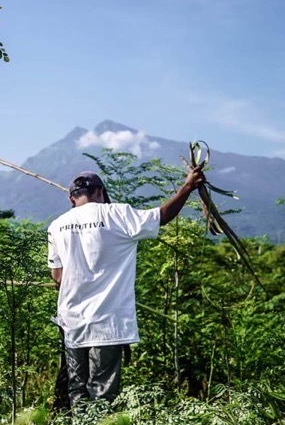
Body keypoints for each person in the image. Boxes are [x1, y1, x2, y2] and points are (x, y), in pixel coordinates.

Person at [47, 166, 204, 407]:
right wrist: (188, 187)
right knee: (102, 391)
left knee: (77, 388)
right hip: (107, 321)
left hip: (71, 320)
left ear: (71, 198)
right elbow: (161, 216)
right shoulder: (118, 214)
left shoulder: (57, 225)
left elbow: (57, 277)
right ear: (100, 191)